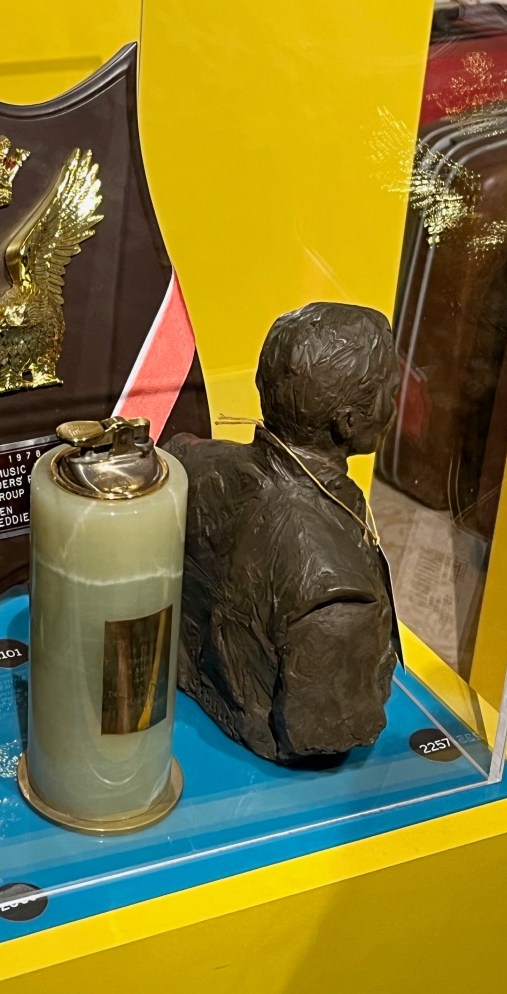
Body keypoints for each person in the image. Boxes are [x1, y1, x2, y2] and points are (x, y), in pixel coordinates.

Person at [167, 302, 401, 764]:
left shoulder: (187, 461)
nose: (396, 406)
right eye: (390, 393)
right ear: (349, 422)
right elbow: (331, 727)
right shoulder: (337, 593)